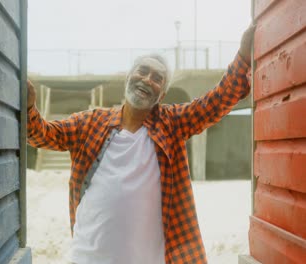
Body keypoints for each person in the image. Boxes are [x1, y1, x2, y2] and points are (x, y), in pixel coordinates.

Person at [27, 24, 255, 264]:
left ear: (162, 95)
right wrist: (30, 108)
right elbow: (44, 135)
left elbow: (216, 102)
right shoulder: (91, 122)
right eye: (143, 71)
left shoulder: (172, 124)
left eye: (157, 78)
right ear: (129, 77)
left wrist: (242, 57)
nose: (147, 79)